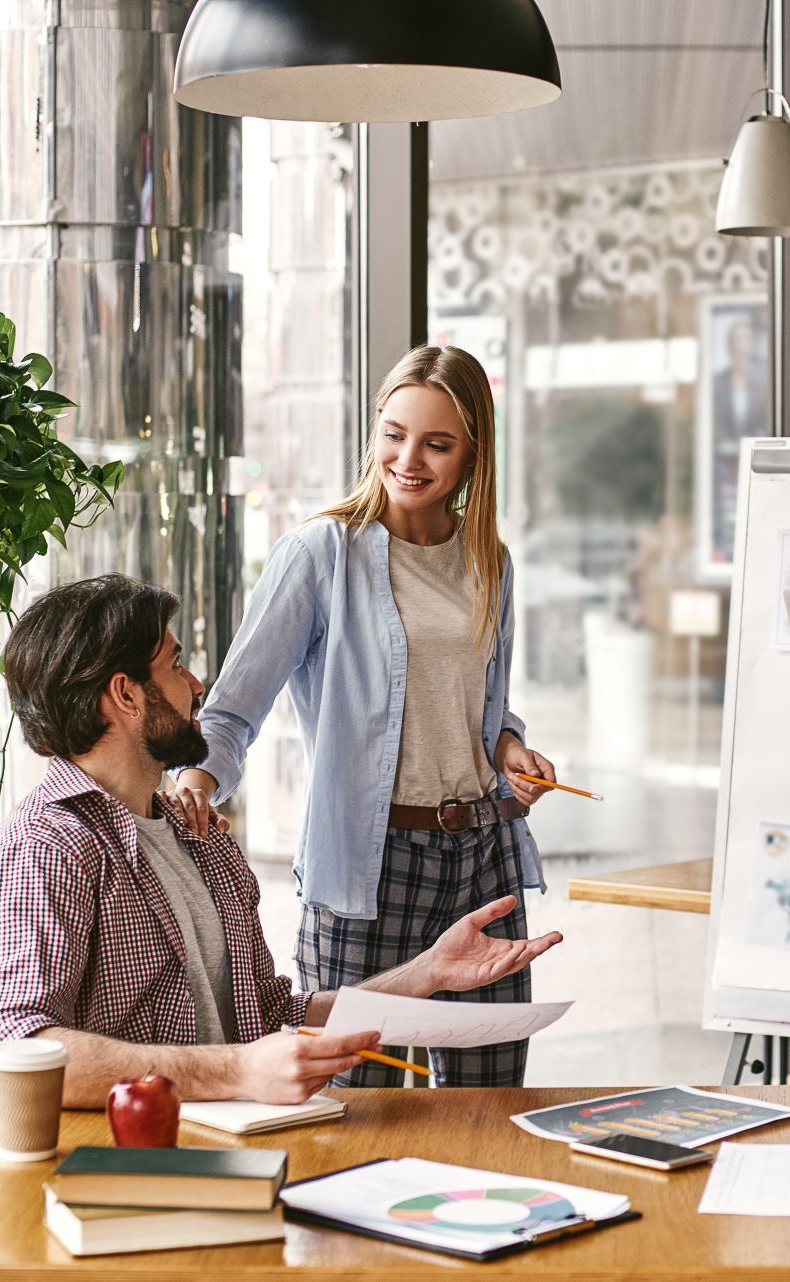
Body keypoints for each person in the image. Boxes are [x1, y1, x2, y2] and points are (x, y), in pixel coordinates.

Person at [0, 574, 562, 1107]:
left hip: (228, 1156)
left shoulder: (198, 839)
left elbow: (268, 1018)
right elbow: (9, 1048)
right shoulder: (49, 847)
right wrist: (238, 1072)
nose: (197, 684)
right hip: (128, 1172)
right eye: (175, 664)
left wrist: (425, 974)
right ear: (126, 695)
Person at [168, 345, 557, 1089]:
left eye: (437, 444)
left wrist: (511, 748)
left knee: (488, 1104)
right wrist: (198, 782)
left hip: (483, 857)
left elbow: (482, 706)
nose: (408, 458)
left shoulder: (491, 563)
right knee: (355, 1110)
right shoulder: (321, 554)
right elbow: (235, 706)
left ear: (474, 454)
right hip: (368, 870)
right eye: (393, 433)